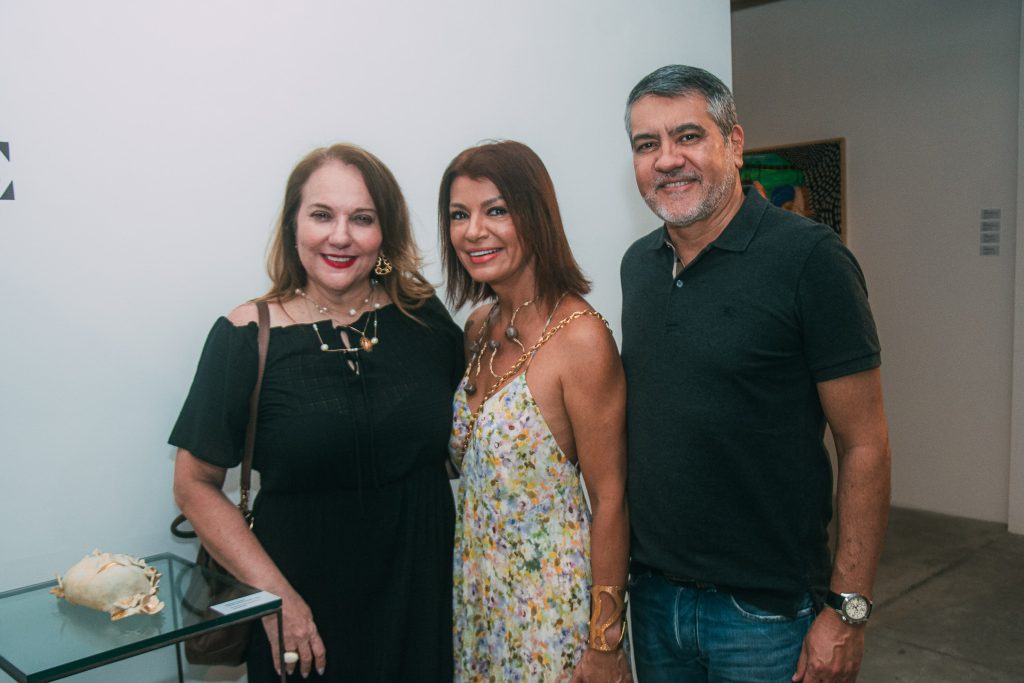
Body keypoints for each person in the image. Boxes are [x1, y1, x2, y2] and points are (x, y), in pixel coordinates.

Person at [620, 65, 891, 683]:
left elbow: (865, 444)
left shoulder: (810, 260)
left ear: (734, 144)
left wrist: (847, 611)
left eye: (687, 136)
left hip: (766, 614)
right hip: (656, 600)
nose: (667, 160)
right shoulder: (638, 266)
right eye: (646, 144)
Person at [171, 143, 463, 682]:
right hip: (300, 612)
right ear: (293, 226)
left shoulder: (423, 318)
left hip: (422, 597)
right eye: (322, 215)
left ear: (385, 234)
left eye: (362, 219)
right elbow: (194, 485)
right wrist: (276, 599)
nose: (341, 236)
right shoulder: (245, 335)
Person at [439, 140, 632, 683]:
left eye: (495, 210)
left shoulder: (581, 339)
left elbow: (611, 497)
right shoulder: (478, 327)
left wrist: (604, 643)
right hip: (480, 601)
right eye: (459, 215)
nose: (474, 230)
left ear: (535, 215)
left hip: (551, 614)